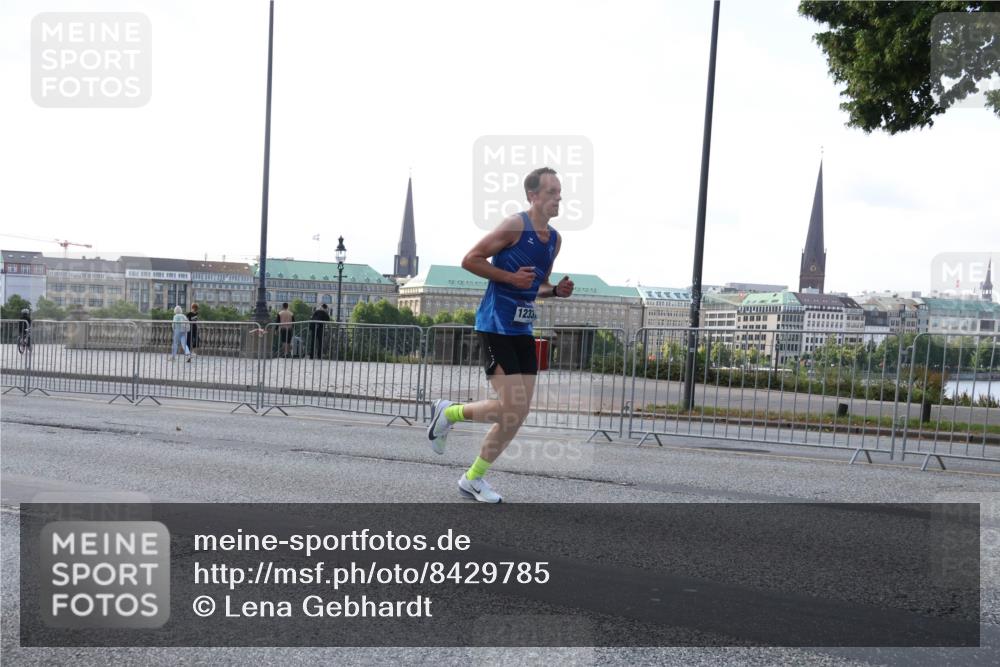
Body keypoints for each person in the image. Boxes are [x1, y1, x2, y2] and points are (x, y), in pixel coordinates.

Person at [427, 167, 574, 503]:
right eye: (551, 192)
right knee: (510, 406)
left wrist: (556, 292)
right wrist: (510, 278)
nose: (558, 198)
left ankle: (473, 478)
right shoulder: (514, 225)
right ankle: (448, 413)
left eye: (559, 192)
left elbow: (536, 285)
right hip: (495, 325)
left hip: (522, 329)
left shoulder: (555, 240)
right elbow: (470, 259)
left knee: (517, 414)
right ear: (533, 196)